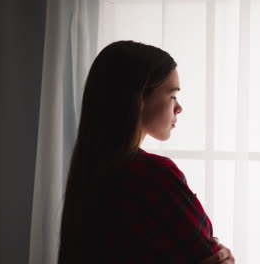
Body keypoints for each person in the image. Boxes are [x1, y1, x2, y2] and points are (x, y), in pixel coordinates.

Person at [58, 40, 235, 264]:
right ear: (140, 98)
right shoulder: (153, 174)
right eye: (172, 96)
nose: (179, 108)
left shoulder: (89, 172)